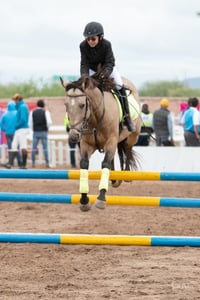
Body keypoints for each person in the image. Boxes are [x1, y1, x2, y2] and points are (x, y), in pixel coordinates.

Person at [80, 21, 135, 132]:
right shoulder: (83, 46)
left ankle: (126, 117)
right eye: (88, 39)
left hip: (107, 69)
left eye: (93, 39)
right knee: (82, 90)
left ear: (100, 37)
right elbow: (84, 63)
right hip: (91, 70)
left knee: (120, 86)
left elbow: (110, 62)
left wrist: (103, 75)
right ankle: (82, 121)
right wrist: (85, 77)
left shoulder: (106, 44)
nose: (90, 41)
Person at [5, 94, 29, 169]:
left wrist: (16, 125)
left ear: (18, 99)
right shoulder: (21, 107)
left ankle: (23, 165)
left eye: (15, 100)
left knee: (23, 146)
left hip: (22, 129)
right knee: (14, 145)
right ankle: (10, 163)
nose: (14, 101)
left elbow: (23, 119)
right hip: (19, 129)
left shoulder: (22, 107)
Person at [29, 99, 52, 168]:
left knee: (34, 148)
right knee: (45, 148)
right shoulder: (46, 112)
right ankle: (47, 163)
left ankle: (33, 163)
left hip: (35, 132)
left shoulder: (32, 112)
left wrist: (33, 129)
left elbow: (30, 123)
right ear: (43, 105)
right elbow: (49, 122)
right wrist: (47, 128)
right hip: (43, 131)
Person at [0, 100, 22, 167]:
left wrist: (4, 130)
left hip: (8, 133)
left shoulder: (5, 114)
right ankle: (20, 163)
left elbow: (1, 124)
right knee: (17, 148)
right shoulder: (17, 113)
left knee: (10, 148)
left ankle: (10, 163)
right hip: (16, 133)